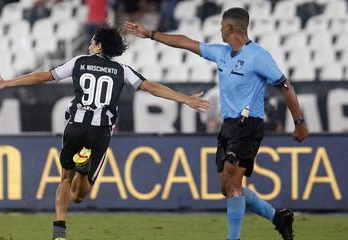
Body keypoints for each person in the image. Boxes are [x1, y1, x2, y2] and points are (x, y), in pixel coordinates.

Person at [0, 25, 212, 240]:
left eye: (93, 42)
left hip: (76, 126)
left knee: (64, 178)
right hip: (100, 132)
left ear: (99, 45)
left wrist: (6, 83)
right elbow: (151, 87)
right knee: (80, 195)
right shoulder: (122, 70)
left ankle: (59, 232)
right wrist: (185, 98)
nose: (90, 45)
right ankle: (84, 170)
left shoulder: (80, 62)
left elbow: (42, 77)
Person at [124, 7, 308, 240]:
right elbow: (185, 43)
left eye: (221, 26)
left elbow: (285, 86)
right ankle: (277, 217)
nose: (220, 30)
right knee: (227, 186)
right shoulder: (221, 53)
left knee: (232, 184)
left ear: (229, 27)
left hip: (249, 125)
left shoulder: (258, 56)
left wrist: (299, 122)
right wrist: (150, 34)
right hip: (229, 126)